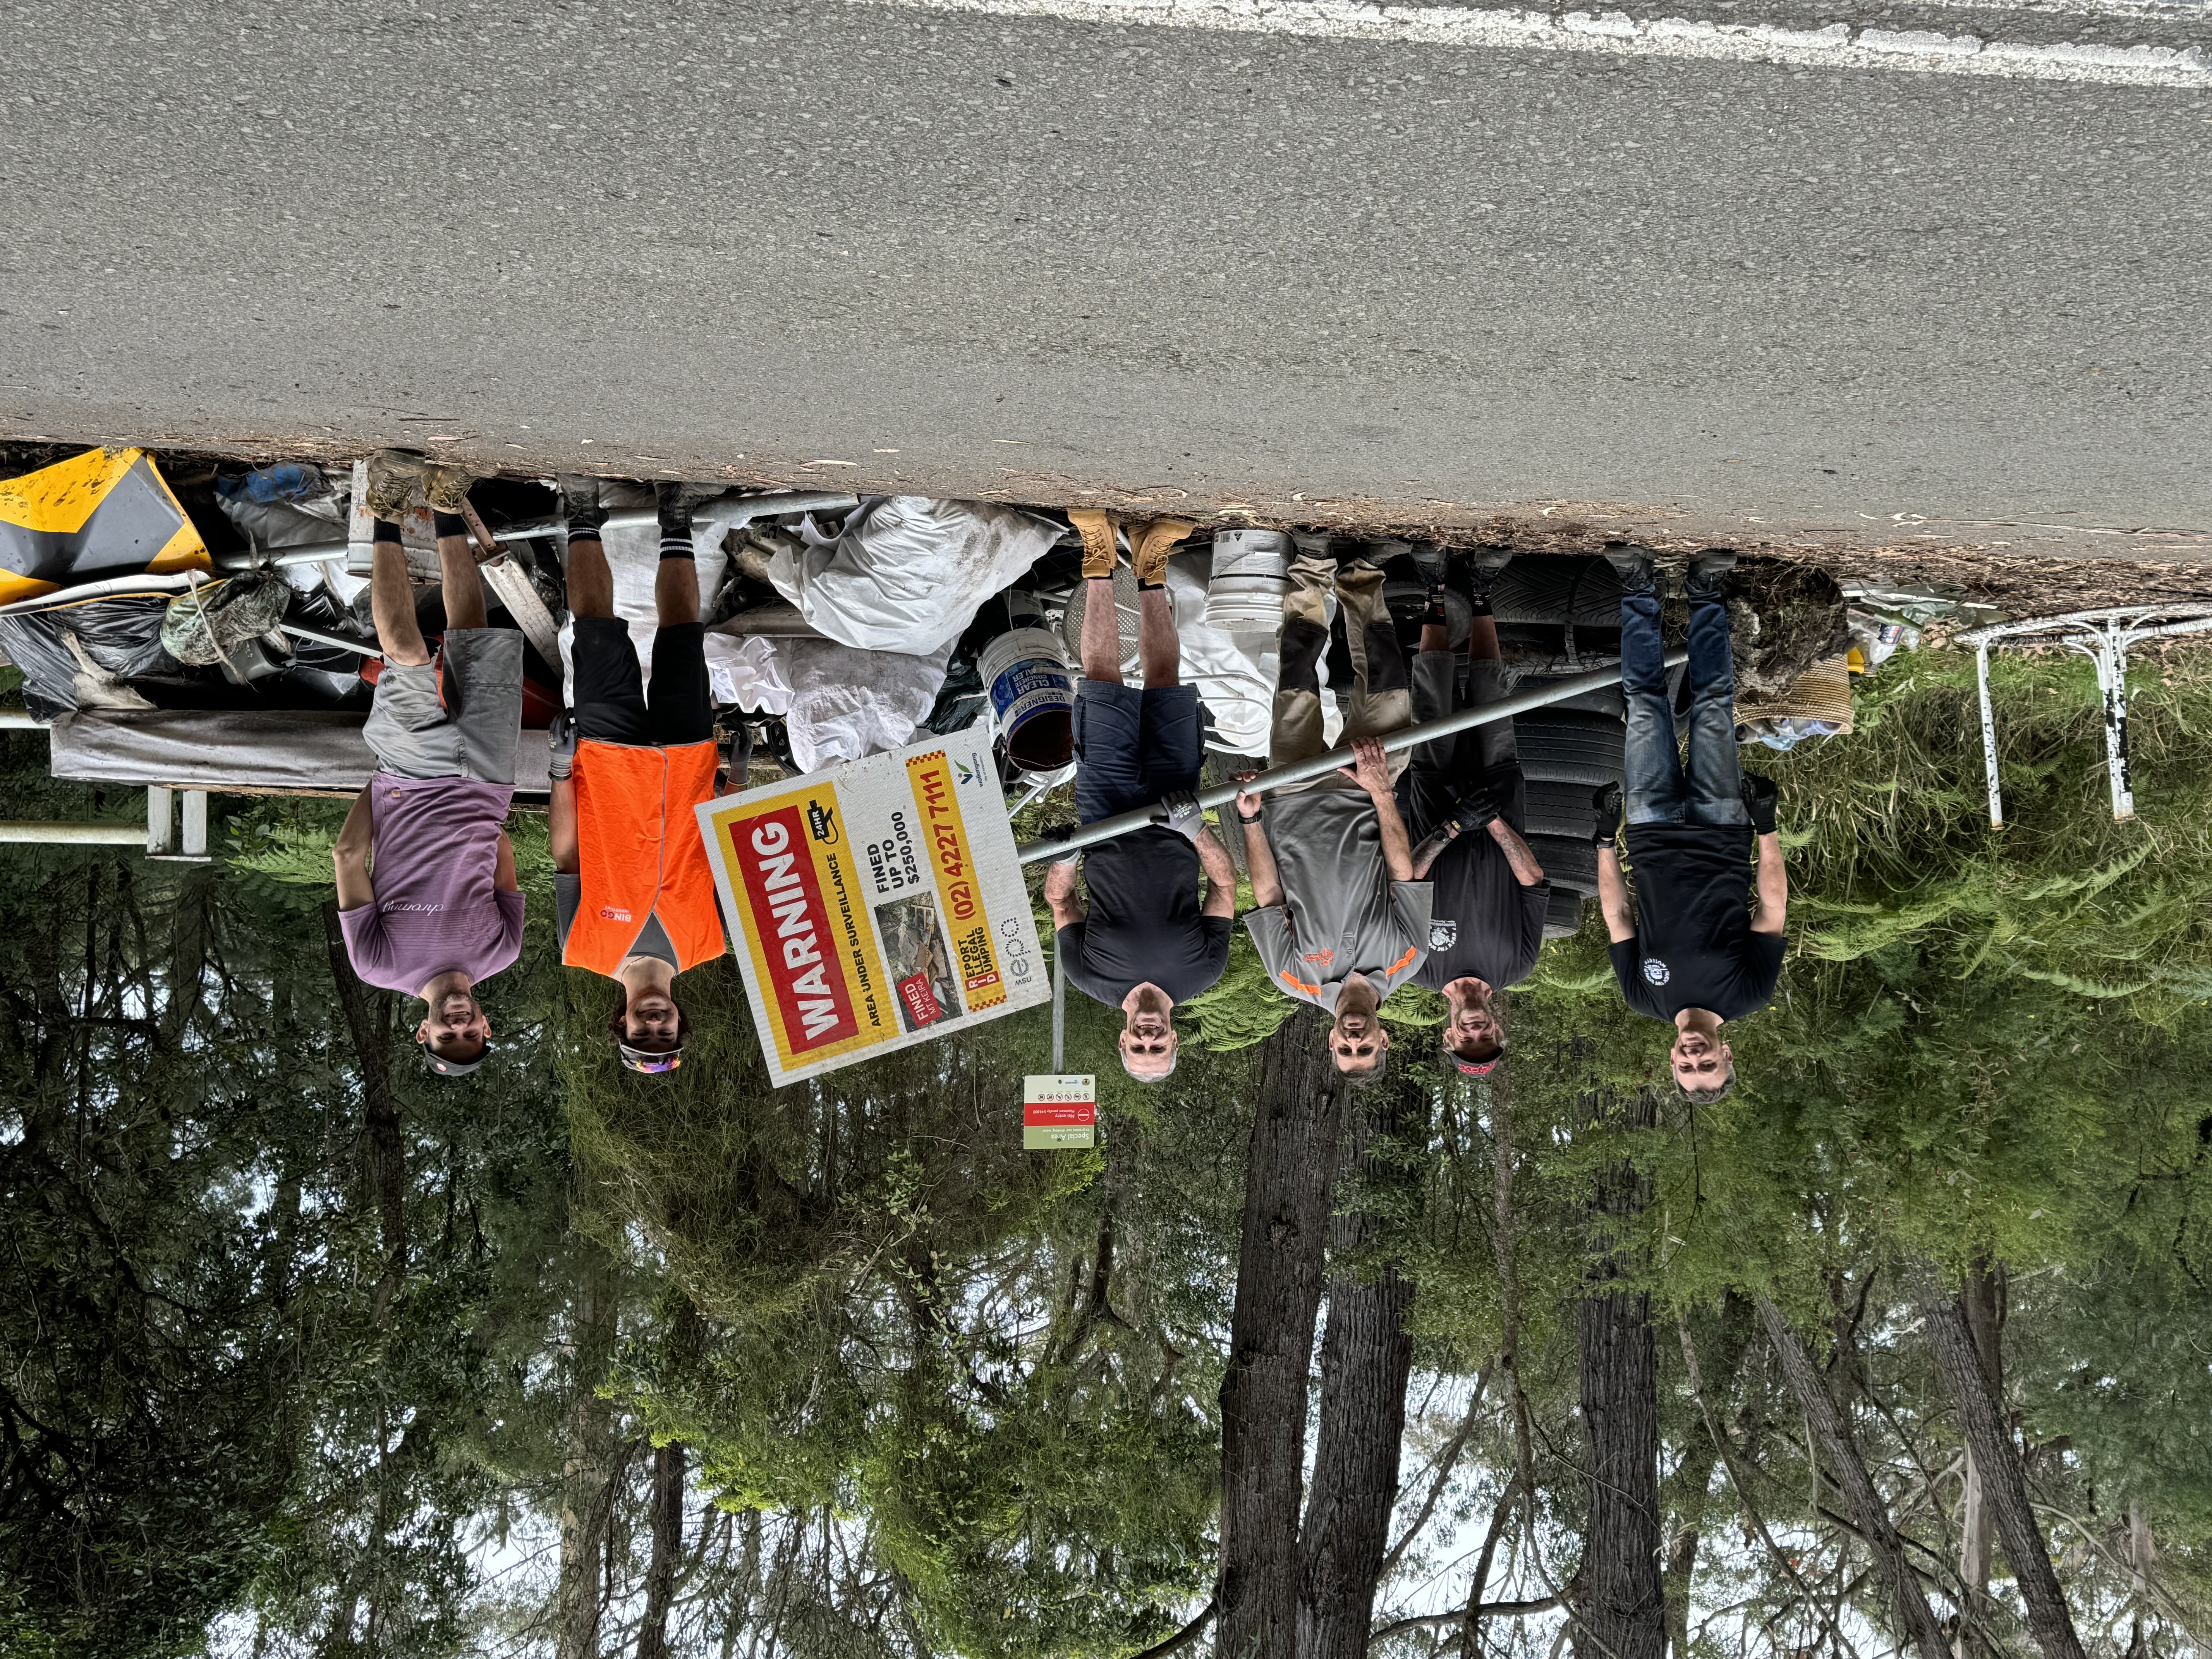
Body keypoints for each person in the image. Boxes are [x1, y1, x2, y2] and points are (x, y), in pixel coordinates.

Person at [333, 451, 526, 1078]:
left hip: (411, 780)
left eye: (447, 1037)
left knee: (408, 656)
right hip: (492, 776)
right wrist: (485, 814)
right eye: (472, 1035)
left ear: (425, 1032)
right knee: (475, 632)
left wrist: (382, 779)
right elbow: (502, 863)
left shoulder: (380, 965)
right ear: (487, 1026)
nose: (460, 1026)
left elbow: (346, 857)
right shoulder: (503, 950)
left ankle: (386, 509)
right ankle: (446, 505)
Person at [1044, 510, 1235, 1082]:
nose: (1149, 1041)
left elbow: (1061, 904)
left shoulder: (1090, 978)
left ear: (1123, 1038)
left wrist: (1065, 856)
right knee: (1165, 679)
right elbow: (1226, 886)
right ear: (1174, 1038)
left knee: (1102, 677)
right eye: (1159, 1049)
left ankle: (1099, 556)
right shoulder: (1204, 972)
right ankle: (1151, 564)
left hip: (1105, 812)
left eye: (1139, 1048)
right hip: (1177, 807)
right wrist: (1197, 830)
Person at [548, 479, 729, 1075]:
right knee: (682, 634)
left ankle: (582, 511)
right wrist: (739, 778)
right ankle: (676, 516)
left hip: (609, 770)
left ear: (619, 1024)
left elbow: (568, 854)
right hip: (687, 767)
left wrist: (558, 771)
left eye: (642, 1034)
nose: (654, 1025)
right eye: (666, 1034)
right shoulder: (711, 942)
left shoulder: (583, 948)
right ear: (681, 1021)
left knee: (594, 629)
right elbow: (724, 851)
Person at [1594, 543, 1787, 1102]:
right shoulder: (1749, 994)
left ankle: (1637, 586)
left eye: (1686, 1069)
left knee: (1644, 703)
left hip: (1650, 829)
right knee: (1713, 703)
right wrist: (1767, 827)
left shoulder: (1644, 998)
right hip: (1724, 825)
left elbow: (1618, 914)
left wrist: (1606, 841)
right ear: (1728, 1056)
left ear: (1672, 1063)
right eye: (1708, 1066)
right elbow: (1771, 908)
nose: (1695, 1059)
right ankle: (1705, 590)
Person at [1239, 538, 1432, 1080]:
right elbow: (1402, 871)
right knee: (1391, 684)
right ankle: (1363, 578)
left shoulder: (1293, 978)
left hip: (1292, 799)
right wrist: (1379, 789)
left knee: (1296, 676)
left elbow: (1269, 895)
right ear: (1383, 1037)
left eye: (1344, 1052)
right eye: (1365, 1050)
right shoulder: (1407, 960)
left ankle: (1312, 569)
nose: (1354, 1043)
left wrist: (1253, 818)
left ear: (1329, 1041)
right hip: (1364, 790)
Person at [1391, 547, 1550, 1079]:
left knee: (1431, 694)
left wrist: (1454, 825)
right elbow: (1533, 882)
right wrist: (1494, 820)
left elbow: (1407, 879)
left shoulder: (1416, 967)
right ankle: (1482, 591)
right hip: (1500, 797)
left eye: (1468, 1039)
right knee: (1489, 691)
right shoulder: (1519, 964)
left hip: (1435, 800)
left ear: (1450, 1033)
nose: (1477, 1032)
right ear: (1501, 1029)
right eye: (1487, 1038)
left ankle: (1435, 588)